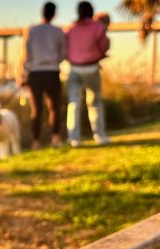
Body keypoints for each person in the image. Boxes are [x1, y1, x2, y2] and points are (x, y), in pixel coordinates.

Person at [18, 2, 66, 149]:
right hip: (52, 72)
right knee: (54, 108)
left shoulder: (31, 30)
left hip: (34, 74)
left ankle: (35, 142)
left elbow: (25, 55)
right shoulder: (58, 31)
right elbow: (64, 53)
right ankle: (56, 139)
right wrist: (54, 61)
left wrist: (22, 74)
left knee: (36, 110)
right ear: (54, 14)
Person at [65, 1, 111, 146]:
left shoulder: (70, 29)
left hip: (74, 68)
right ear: (91, 12)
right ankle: (100, 136)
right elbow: (105, 45)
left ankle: (74, 138)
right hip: (92, 68)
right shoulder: (98, 28)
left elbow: (64, 48)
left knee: (74, 104)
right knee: (95, 103)